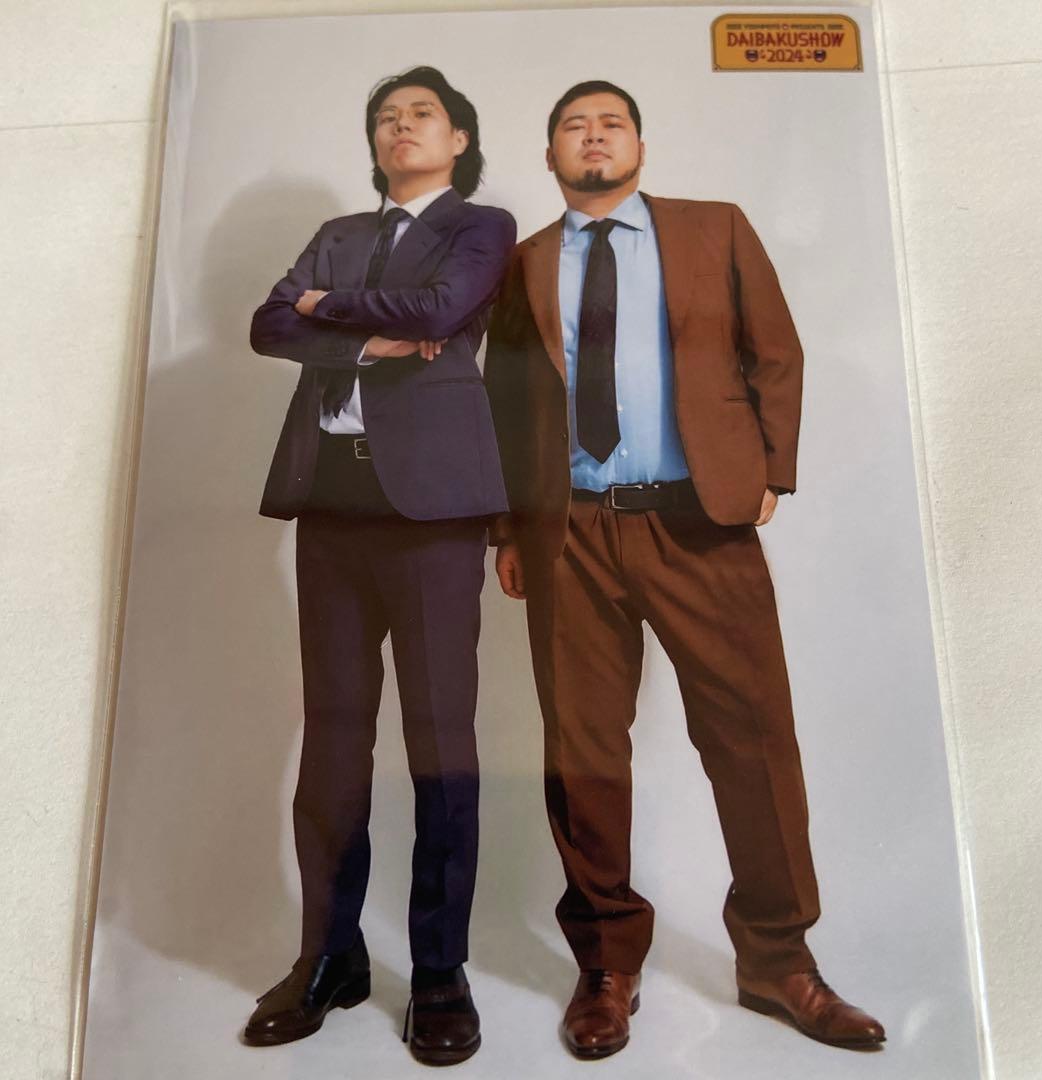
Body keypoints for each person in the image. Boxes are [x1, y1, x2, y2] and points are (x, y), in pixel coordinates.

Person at [484, 79, 884, 1060]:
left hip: (700, 521)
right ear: (549, 155)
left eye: (611, 124)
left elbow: (776, 352)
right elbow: (505, 398)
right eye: (573, 126)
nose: (593, 137)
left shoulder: (715, 229)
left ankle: (779, 960)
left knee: (753, 739)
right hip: (571, 532)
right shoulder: (524, 262)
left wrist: (771, 469)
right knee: (583, 753)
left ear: (640, 145)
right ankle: (606, 966)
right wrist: (506, 529)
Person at [244, 66, 515, 1066]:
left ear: (458, 138)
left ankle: (439, 971)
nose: (400, 127)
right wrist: (369, 342)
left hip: (433, 512)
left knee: (440, 740)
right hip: (330, 503)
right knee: (332, 737)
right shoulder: (339, 231)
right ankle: (330, 955)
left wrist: (330, 308)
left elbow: (441, 311)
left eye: (421, 115)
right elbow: (268, 324)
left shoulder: (481, 226)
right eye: (385, 118)